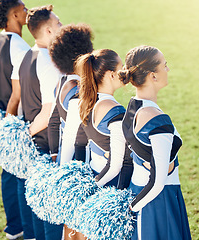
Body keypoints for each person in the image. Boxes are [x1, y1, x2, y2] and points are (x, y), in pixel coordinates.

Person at [118, 45, 191, 239]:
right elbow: (158, 181)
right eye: (164, 65)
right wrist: (131, 210)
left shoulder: (132, 109)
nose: (168, 70)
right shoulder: (158, 120)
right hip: (157, 202)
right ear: (153, 76)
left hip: (138, 192)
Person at [19, 5, 63, 240]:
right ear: (47, 31)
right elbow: (48, 113)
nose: (62, 27)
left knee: (38, 212)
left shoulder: (29, 54)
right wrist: (26, 135)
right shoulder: (48, 63)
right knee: (51, 215)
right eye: (58, 24)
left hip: (36, 145)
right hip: (46, 146)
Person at [0, 0, 30, 239]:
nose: (27, 12)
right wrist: (11, 123)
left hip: (1, 117)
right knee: (22, 175)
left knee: (8, 174)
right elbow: (19, 92)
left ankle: (14, 228)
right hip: (17, 120)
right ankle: (26, 228)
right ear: (14, 14)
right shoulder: (21, 47)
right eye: (24, 9)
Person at [48, 23, 94, 240]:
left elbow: (53, 123)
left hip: (65, 162)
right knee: (80, 225)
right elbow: (70, 137)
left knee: (71, 224)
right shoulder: (77, 91)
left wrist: (54, 157)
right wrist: (64, 173)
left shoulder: (61, 82)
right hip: (76, 164)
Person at [75, 49, 133, 189]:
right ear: (111, 75)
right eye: (121, 68)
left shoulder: (88, 102)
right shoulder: (115, 111)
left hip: (95, 171)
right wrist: (91, 188)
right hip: (111, 184)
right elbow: (115, 166)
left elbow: (79, 143)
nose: (125, 71)